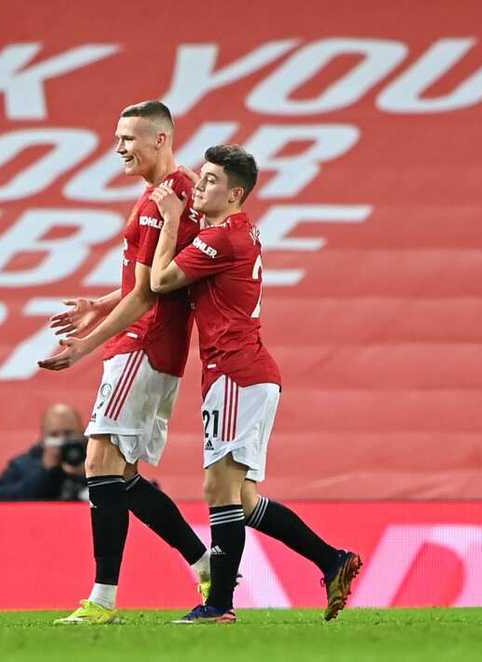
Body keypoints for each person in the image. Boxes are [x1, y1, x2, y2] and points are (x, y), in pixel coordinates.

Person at [149, 144, 363, 624]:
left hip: (235, 372)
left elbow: (161, 280)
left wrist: (168, 218)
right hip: (251, 373)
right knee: (242, 499)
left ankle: (219, 605)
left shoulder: (222, 238)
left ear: (236, 193)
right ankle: (332, 560)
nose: (200, 186)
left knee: (219, 489)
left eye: (211, 181)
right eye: (200, 177)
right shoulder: (235, 232)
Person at [38, 100, 211, 625]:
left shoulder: (162, 200)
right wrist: (98, 304)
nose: (118, 148)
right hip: (158, 344)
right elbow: (149, 283)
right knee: (123, 473)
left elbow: (145, 297)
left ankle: (103, 600)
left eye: (128, 138)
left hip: (142, 343)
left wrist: (85, 345)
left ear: (160, 139)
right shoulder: (178, 192)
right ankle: (205, 562)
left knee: (98, 465)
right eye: (117, 138)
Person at [0, 403, 89, 501]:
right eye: (54, 435)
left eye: (68, 433)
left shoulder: (96, 460)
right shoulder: (23, 465)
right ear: (43, 437)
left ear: (82, 432)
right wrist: (44, 471)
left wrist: (89, 474)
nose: (62, 440)